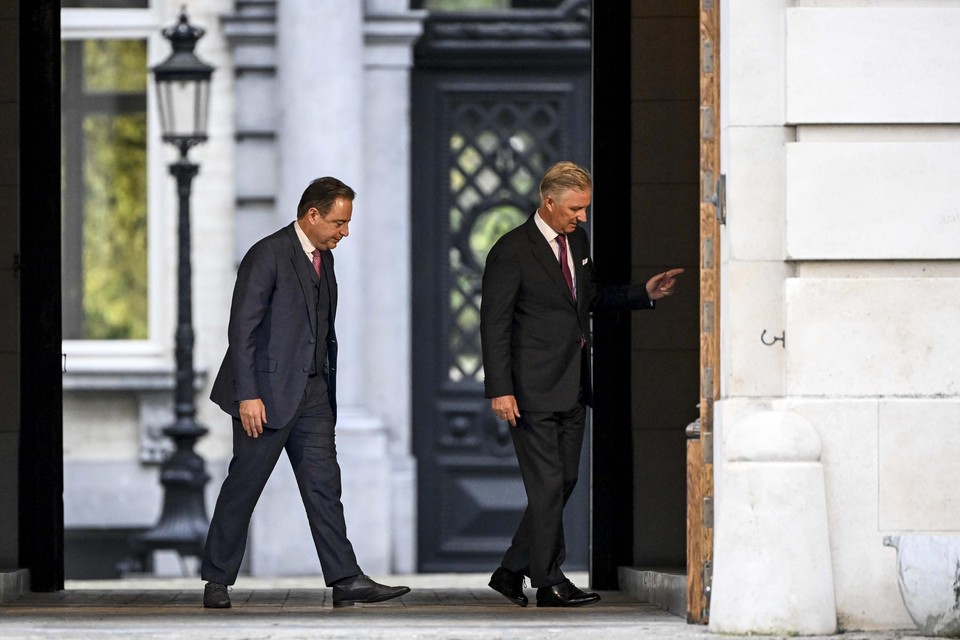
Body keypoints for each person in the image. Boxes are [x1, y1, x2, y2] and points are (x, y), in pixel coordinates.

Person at [480, 161, 683, 608]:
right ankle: (549, 580)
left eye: (585, 209)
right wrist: (500, 388)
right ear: (548, 202)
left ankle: (512, 570)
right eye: (575, 209)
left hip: (573, 386)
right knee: (548, 483)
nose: (582, 217)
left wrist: (643, 293)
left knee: (564, 480)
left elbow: (587, 299)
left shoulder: (579, 241)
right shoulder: (511, 250)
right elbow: (493, 325)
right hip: (528, 392)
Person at [200, 177, 410, 609]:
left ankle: (346, 578)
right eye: (339, 222)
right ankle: (217, 581)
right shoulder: (267, 254)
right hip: (264, 396)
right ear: (312, 215)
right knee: (244, 485)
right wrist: (248, 395)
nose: (344, 232)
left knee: (324, 487)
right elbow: (243, 330)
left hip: (313, 395)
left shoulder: (323, 259)